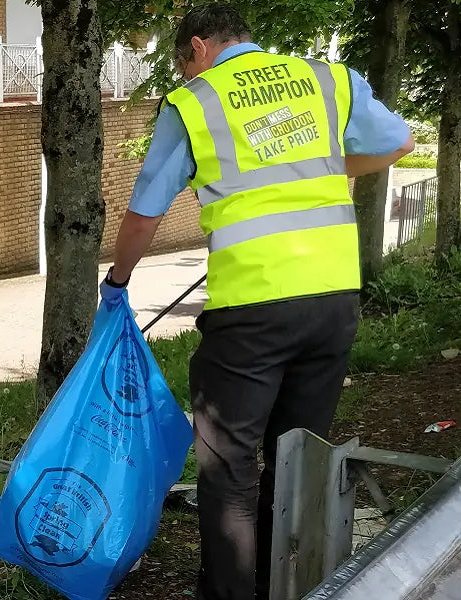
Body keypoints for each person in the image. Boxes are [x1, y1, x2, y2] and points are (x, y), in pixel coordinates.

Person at [99, 4, 414, 600]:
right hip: (333, 298)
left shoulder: (195, 102)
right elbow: (401, 142)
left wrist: (118, 279)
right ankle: (283, 583)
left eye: (183, 63)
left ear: (197, 47)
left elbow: (145, 210)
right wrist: (327, 169)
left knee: (230, 466)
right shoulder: (326, 79)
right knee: (298, 455)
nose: (186, 73)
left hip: (250, 309)